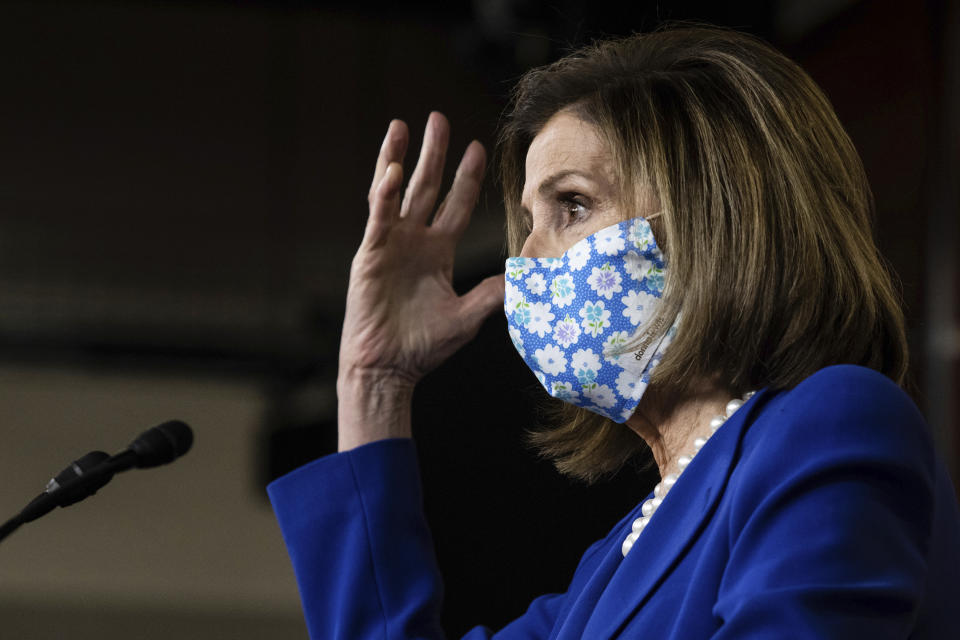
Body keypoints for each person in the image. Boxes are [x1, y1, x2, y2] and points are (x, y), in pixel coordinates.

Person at [267, 26, 960, 638]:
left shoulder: (833, 423)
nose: (525, 261)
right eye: (527, 224)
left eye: (572, 204)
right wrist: (373, 382)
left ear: (713, 221)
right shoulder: (611, 566)